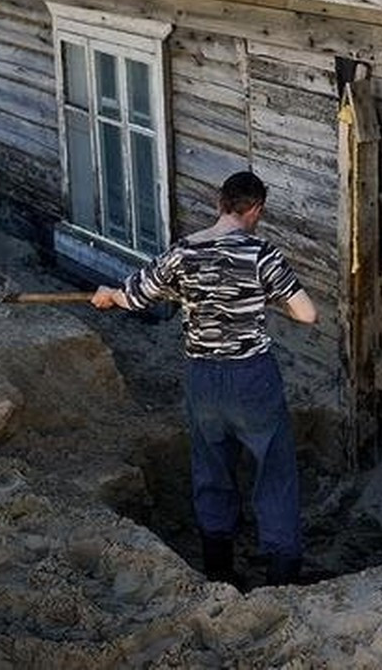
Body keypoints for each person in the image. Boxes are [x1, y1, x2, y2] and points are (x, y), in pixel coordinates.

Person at [91, 170, 317, 587]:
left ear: (220, 202)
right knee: (275, 469)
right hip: (252, 378)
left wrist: (108, 293)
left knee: (212, 468)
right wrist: (267, 300)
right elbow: (307, 314)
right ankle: (282, 575)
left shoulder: (182, 253)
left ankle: (218, 569)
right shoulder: (262, 254)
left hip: (202, 378)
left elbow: (132, 297)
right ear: (257, 210)